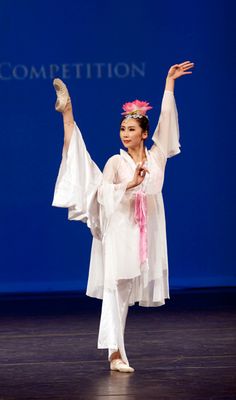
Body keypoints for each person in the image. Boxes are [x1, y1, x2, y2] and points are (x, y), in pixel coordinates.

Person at [52, 61, 194, 373]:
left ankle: (116, 349)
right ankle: (116, 353)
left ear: (144, 134)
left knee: (127, 289)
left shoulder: (156, 157)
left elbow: (167, 127)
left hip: (147, 228)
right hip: (120, 226)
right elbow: (103, 193)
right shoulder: (116, 162)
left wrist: (169, 85)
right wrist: (130, 183)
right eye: (122, 129)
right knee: (116, 288)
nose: (125, 133)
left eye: (131, 129)